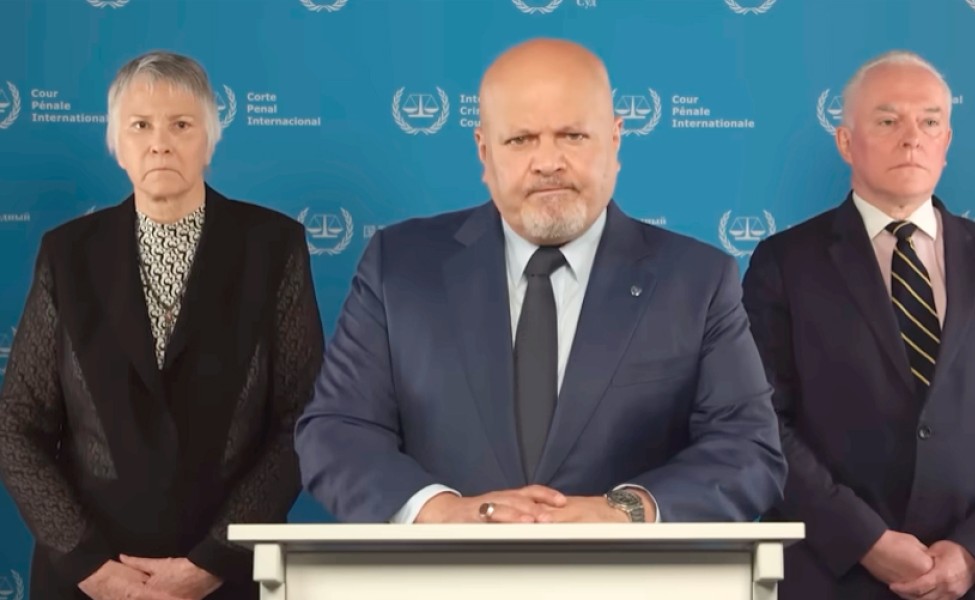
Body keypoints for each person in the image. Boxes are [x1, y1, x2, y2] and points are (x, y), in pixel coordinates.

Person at [295, 37, 786, 525]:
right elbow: (337, 431)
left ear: (615, 140)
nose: (548, 161)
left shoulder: (697, 280)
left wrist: (625, 511)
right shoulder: (398, 267)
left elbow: (747, 449)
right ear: (484, 151)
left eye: (572, 135)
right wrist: (439, 512)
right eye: (520, 139)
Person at [742, 50, 975, 600]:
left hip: (974, 584)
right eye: (888, 121)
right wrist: (865, 540)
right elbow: (761, 421)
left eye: (930, 122)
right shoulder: (783, 264)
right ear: (846, 142)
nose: (911, 137)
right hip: (830, 576)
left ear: (947, 140)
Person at [0, 50, 324, 600]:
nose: (160, 142)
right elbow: (16, 427)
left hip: (229, 578)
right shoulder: (67, 255)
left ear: (210, 136)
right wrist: (94, 568)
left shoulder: (273, 248)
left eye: (180, 124)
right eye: (141, 125)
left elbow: (300, 420)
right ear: (116, 142)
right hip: (85, 579)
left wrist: (212, 561)